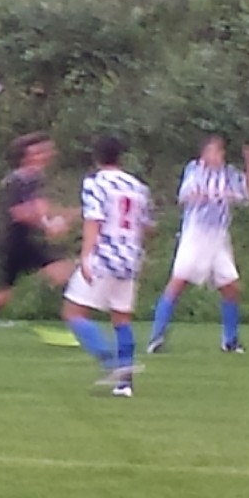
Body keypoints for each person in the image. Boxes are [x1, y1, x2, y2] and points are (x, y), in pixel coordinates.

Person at [0, 132, 78, 352]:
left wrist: (67, 215)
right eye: (39, 151)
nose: (46, 154)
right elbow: (19, 213)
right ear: (26, 156)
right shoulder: (18, 180)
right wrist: (48, 225)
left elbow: (40, 207)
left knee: (64, 273)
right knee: (3, 294)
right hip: (13, 243)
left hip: (28, 241)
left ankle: (65, 326)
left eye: (47, 149)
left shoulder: (35, 178)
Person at [61, 136, 155, 397]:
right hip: (129, 257)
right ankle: (125, 384)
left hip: (104, 257)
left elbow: (94, 220)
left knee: (73, 313)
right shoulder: (137, 186)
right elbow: (147, 226)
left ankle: (110, 363)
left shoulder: (95, 183)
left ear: (96, 157)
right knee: (121, 318)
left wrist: (85, 256)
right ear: (120, 157)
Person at [147, 137, 249, 354]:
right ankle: (156, 337)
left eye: (221, 151)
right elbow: (188, 194)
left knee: (231, 288)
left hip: (218, 237)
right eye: (214, 151)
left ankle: (230, 341)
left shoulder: (229, 174)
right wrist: (214, 196)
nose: (219, 155)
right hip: (196, 233)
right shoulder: (195, 170)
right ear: (204, 153)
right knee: (178, 283)